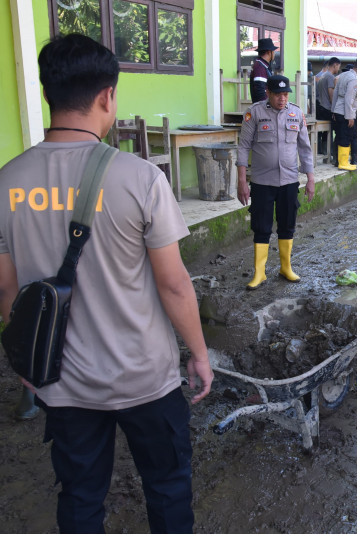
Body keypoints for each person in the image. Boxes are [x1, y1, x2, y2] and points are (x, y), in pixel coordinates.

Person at [0, 33, 213, 533]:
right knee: (167, 488)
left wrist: (25, 363)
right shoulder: (139, 179)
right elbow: (175, 286)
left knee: (79, 498)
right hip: (145, 380)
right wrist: (199, 353)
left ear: (48, 92)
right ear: (106, 97)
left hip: (62, 382)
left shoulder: (7, 182)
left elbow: (8, 293)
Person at [236, 75, 315, 288]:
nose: (282, 98)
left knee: (287, 224)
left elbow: (305, 148)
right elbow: (243, 147)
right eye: (278, 94)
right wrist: (242, 181)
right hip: (262, 181)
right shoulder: (254, 113)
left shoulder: (296, 113)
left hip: (289, 180)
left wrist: (310, 178)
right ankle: (259, 273)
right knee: (261, 226)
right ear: (268, 93)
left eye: (285, 94)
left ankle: (285, 267)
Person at [331, 59, 357, 171]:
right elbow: (349, 98)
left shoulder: (343, 75)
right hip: (345, 112)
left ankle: (340, 161)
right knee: (346, 137)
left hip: (338, 110)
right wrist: (350, 116)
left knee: (340, 136)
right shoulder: (353, 78)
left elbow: (335, 93)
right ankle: (343, 163)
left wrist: (333, 110)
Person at [315, 57, 340, 159]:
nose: (338, 69)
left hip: (320, 107)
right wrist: (334, 109)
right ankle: (329, 154)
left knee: (324, 134)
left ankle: (326, 153)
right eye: (338, 67)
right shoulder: (330, 77)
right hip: (327, 108)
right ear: (335, 65)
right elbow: (331, 94)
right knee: (330, 133)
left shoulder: (322, 76)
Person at [249, 38, 278, 103]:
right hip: (262, 108)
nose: (274, 53)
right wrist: (266, 107)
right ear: (269, 52)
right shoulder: (260, 67)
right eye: (273, 51)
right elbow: (260, 91)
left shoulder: (263, 65)